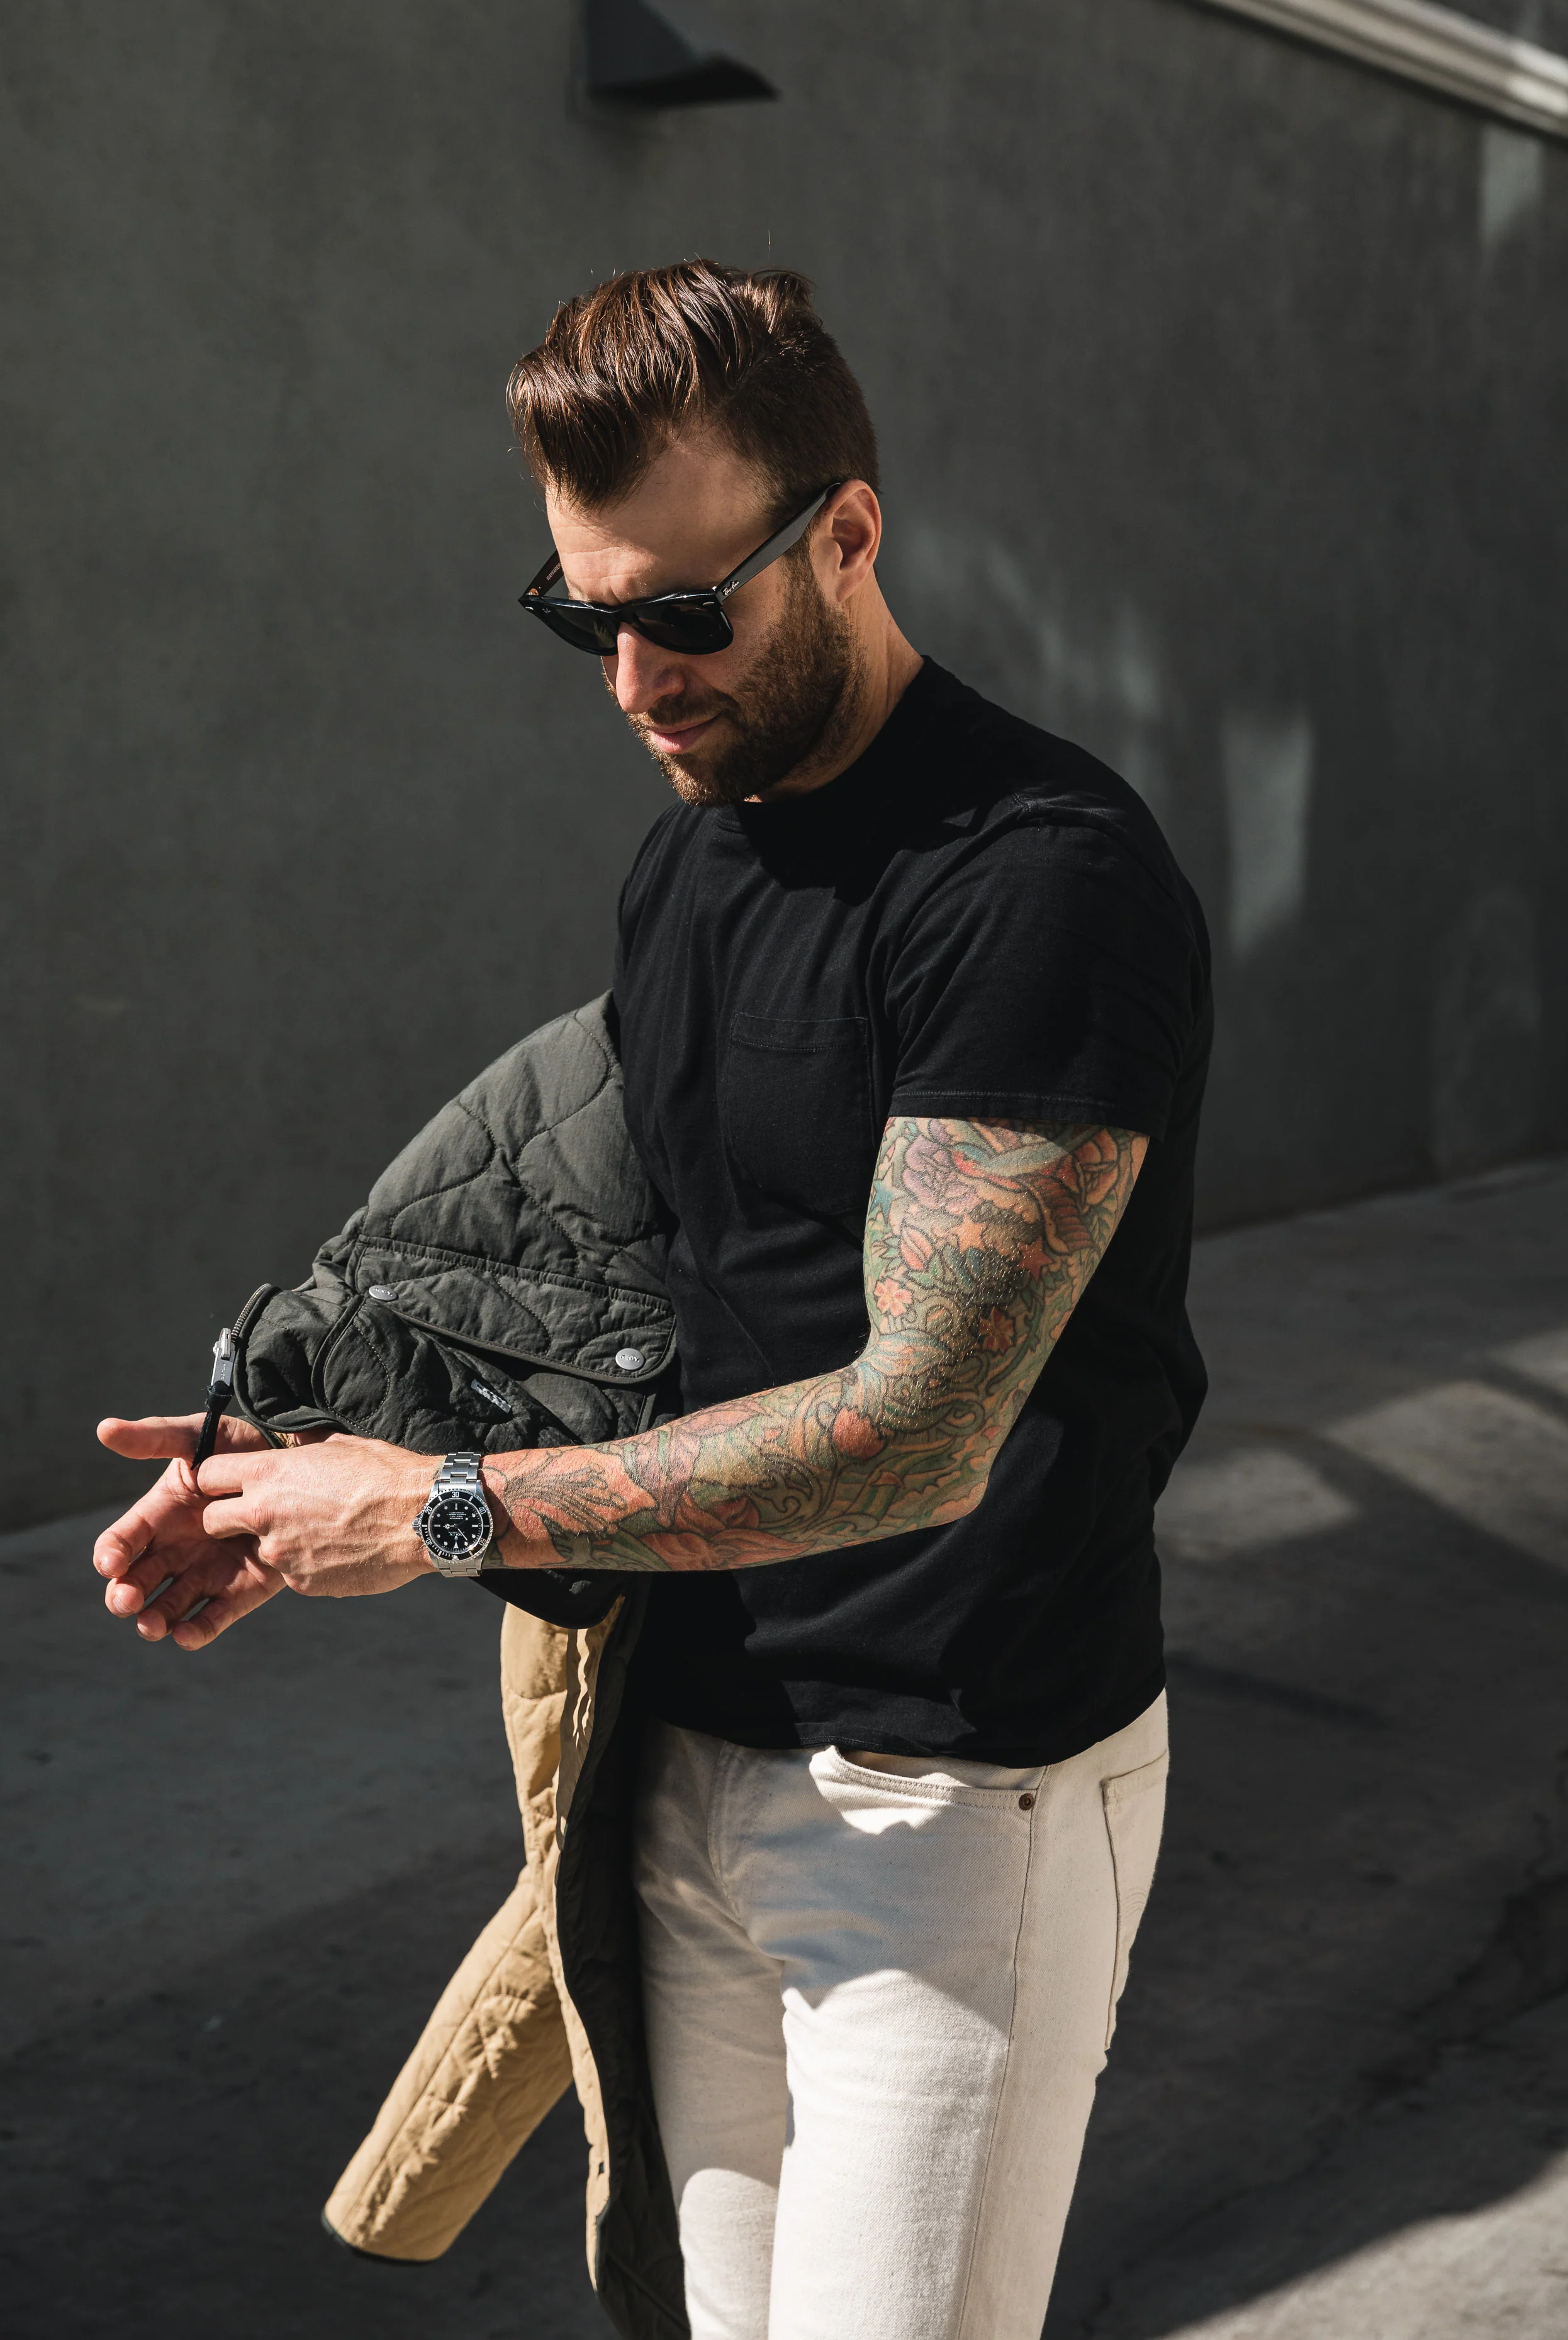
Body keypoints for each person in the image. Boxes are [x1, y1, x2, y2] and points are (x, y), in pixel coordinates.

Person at [94, 260, 1213, 2340]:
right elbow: (606, 1238)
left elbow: (918, 1429)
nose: (634, 679)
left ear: (849, 536)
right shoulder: (692, 858)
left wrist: (435, 1514)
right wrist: (297, 1439)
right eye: (582, 613)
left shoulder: (1038, 882)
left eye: (688, 612)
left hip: (948, 1803)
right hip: (679, 1743)